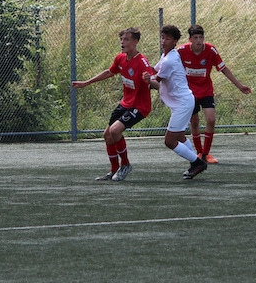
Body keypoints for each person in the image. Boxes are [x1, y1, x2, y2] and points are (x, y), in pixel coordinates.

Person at [72, 27, 155, 182]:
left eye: (126, 39)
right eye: (121, 39)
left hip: (139, 107)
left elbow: (152, 80)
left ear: (135, 42)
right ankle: (113, 170)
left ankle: (125, 165)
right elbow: (110, 72)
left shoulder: (142, 61)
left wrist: (149, 80)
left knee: (115, 130)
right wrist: (87, 82)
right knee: (108, 135)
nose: (122, 42)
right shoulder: (120, 58)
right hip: (125, 103)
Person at [177, 24, 252, 164]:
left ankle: (206, 153)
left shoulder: (210, 50)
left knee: (211, 119)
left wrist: (239, 85)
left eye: (201, 37)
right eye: (195, 38)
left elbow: (223, 69)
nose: (199, 41)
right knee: (194, 122)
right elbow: (170, 65)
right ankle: (199, 152)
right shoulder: (181, 51)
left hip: (206, 90)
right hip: (189, 93)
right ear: (190, 39)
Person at [145, 25, 209, 180]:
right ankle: (196, 162)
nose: (163, 41)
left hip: (183, 103)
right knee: (179, 136)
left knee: (169, 141)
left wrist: (147, 80)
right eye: (162, 37)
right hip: (182, 102)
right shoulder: (167, 55)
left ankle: (198, 163)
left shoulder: (170, 60)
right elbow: (154, 70)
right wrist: (143, 67)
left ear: (175, 41)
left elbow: (155, 82)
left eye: (168, 38)